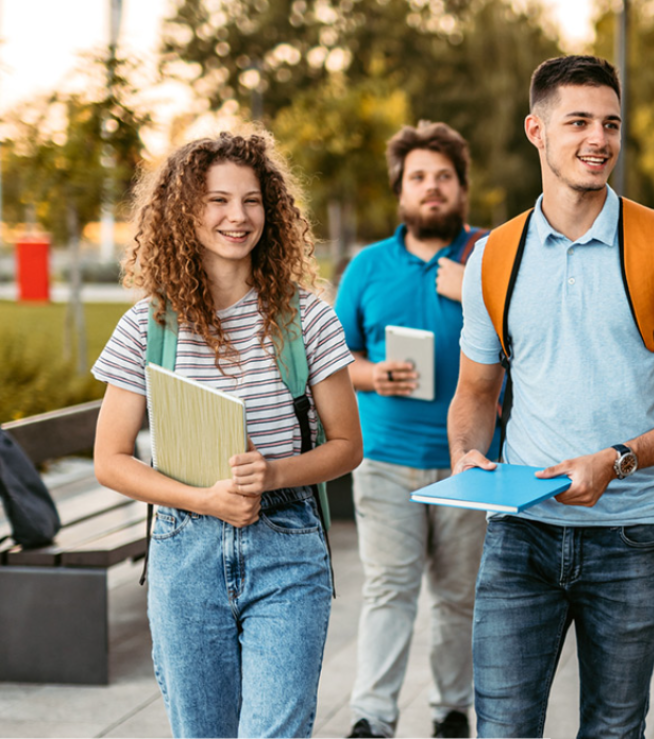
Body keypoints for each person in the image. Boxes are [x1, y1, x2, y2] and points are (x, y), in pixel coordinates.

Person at [447, 55, 654, 738]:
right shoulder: (494, 257)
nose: (598, 138)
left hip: (630, 537)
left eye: (609, 123)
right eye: (577, 121)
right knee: (504, 727)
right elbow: (475, 391)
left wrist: (620, 458)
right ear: (536, 131)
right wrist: (466, 454)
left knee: (614, 729)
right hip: (519, 533)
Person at [92, 130, 363, 738]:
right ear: (185, 211)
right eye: (217, 200)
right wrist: (202, 500)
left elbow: (348, 445)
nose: (237, 217)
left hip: (287, 547)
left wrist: (273, 474)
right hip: (183, 554)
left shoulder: (306, 317)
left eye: (251, 200)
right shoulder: (148, 326)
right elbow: (109, 460)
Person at [335, 121, 494, 739]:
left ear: (461, 188)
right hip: (386, 459)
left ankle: (452, 713)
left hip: (471, 463)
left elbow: (531, 342)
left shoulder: (490, 256)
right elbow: (335, 358)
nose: (432, 189)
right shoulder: (367, 267)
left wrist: (475, 289)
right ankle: (372, 718)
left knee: (459, 600)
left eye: (444, 178)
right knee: (389, 589)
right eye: (419, 178)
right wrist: (373, 375)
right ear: (400, 190)